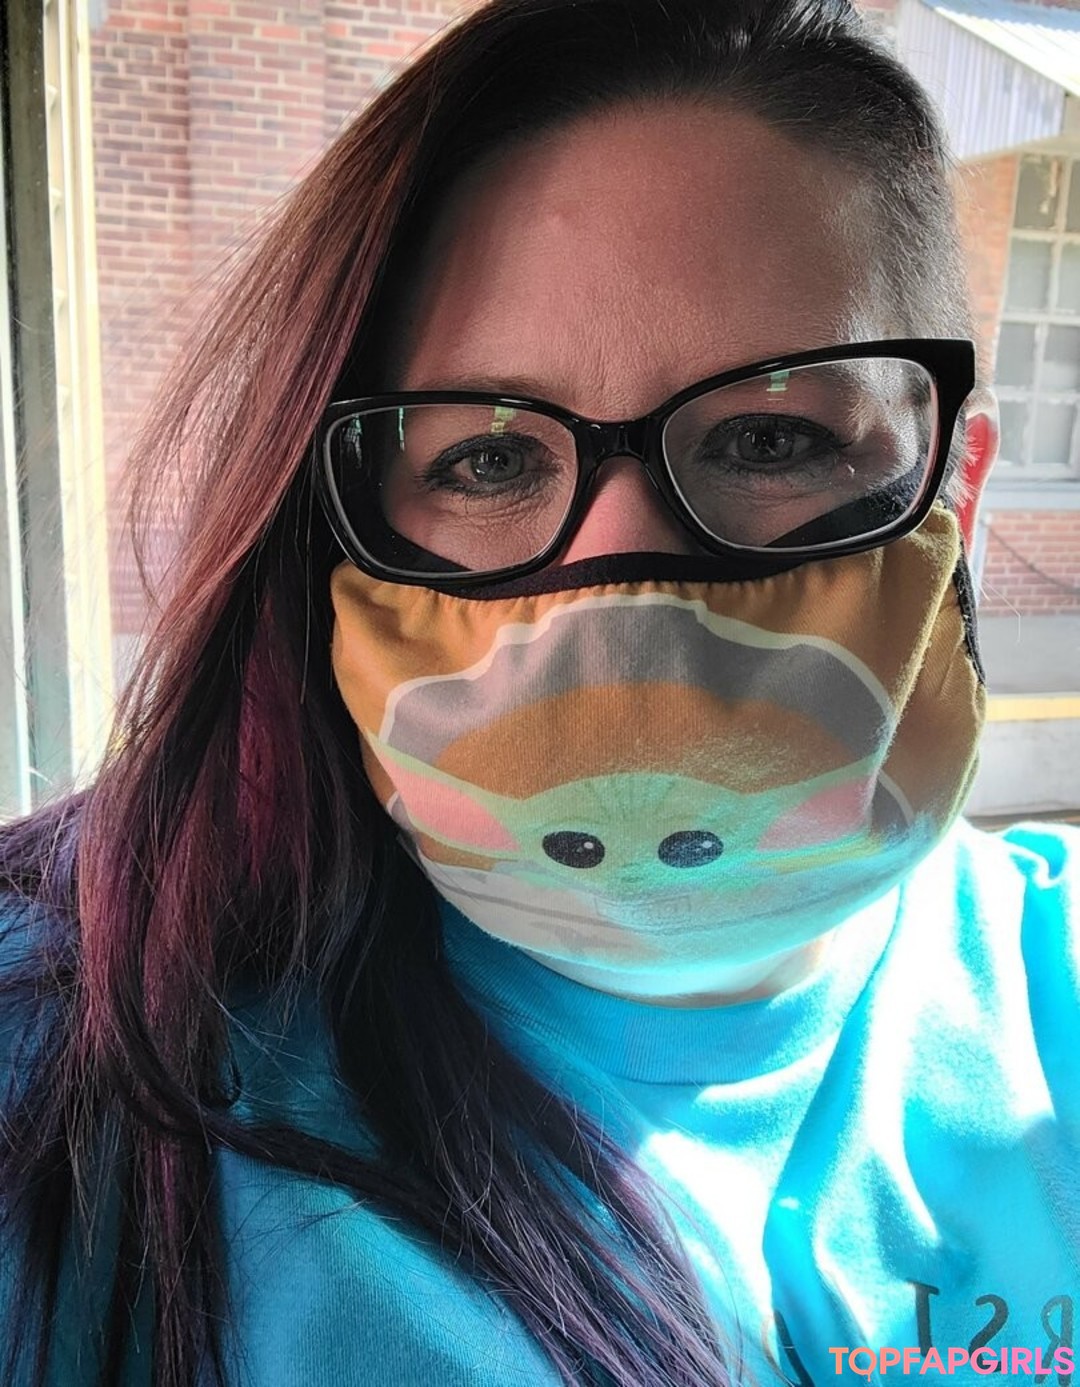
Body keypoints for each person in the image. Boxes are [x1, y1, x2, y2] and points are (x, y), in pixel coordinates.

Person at [2, 0, 1077, 1382]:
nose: (619, 584)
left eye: (771, 438)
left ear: (956, 490)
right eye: (489, 460)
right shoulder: (75, 1054)